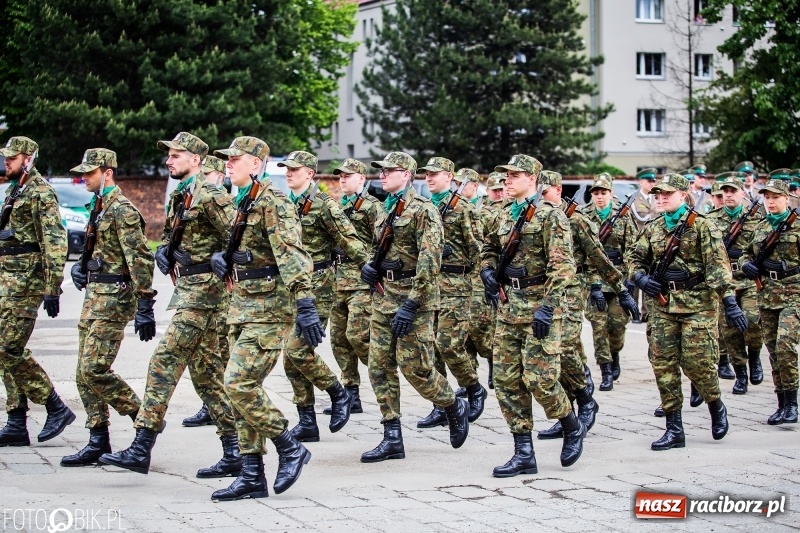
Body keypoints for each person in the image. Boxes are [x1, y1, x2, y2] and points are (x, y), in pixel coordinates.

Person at [99, 132, 240, 480]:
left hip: (206, 294)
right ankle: (235, 450)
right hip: (189, 290)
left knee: (164, 361)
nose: (169, 160)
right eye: (169, 155)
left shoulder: (210, 195)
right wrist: (164, 249)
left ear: (196, 159)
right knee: (207, 378)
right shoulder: (182, 195)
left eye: (176, 155)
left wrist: (222, 256)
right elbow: (172, 234)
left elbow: (241, 234)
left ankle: (141, 447)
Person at [208, 136, 321, 500]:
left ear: (256, 164)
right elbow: (250, 251)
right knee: (243, 392)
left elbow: (293, 255)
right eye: (226, 158)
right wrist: (221, 258)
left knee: (237, 383)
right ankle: (252, 473)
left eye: (235, 159)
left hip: (269, 308)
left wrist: (306, 304)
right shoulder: (244, 201)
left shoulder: (273, 203)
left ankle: (289, 445)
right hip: (240, 306)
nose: (228, 163)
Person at [359, 151, 469, 463]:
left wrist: (413, 303)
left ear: (406, 174)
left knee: (416, 369)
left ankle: (452, 404)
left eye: (390, 170)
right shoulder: (384, 209)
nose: (382, 175)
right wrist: (370, 267)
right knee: (379, 367)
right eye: (381, 170)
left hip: (413, 300)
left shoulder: (424, 211)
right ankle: (392, 436)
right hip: (384, 297)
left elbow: (430, 260)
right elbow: (375, 245)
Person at [480, 154, 585, 477]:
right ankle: (523, 451)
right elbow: (487, 249)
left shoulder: (551, 216)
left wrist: (549, 306)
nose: (508, 180)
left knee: (540, 379)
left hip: (542, 308)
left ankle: (571, 423)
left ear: (533, 180)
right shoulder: (501, 216)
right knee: (507, 381)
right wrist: (486, 271)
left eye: (515, 175)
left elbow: (563, 266)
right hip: (509, 307)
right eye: (506, 175)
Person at [629, 173, 747, 450]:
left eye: (667, 194)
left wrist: (729, 302)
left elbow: (718, 266)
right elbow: (634, 258)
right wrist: (640, 278)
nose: (660, 198)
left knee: (699, 364)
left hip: (698, 304)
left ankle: (716, 405)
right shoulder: (653, 226)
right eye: (657, 194)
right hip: (662, 304)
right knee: (663, 365)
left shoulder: (702, 226)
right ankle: (674, 428)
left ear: (683, 195)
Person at [60, 148, 156, 466]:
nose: (85, 177)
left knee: (94, 369)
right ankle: (98, 439)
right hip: (95, 297)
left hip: (114, 299)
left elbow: (140, 258)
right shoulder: (99, 207)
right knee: (81, 374)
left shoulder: (122, 210)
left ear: (108, 172)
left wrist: (145, 302)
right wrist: (84, 265)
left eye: (90, 172)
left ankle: (144, 417)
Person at [535, 170, 639, 441]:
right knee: (552, 356)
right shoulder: (533, 218)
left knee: (566, 347)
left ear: (558, 191)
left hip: (572, 289)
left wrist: (621, 289)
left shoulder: (575, 219)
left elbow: (599, 257)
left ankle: (585, 397)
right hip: (545, 293)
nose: (541, 198)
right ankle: (565, 413)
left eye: (545, 192)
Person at [279, 151, 368, 443]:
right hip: (291, 286)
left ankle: (337, 392)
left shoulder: (324, 205)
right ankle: (306, 420)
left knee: (297, 350)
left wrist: (369, 269)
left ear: (309, 173)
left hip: (319, 285)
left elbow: (349, 239)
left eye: (295, 169)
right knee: (289, 359)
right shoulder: (282, 203)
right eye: (286, 168)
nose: (289, 173)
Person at [0, 136, 72, 447]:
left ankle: (56, 406)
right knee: (5, 353)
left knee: (7, 348)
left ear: (28, 157)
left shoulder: (41, 191)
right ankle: (16, 421)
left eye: (12, 157)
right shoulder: (16, 189)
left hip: (25, 283)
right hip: (7, 281)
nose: (6, 162)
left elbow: (55, 242)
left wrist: (52, 288)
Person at [416, 160, 486, 429]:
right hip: (430, 285)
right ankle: (441, 403)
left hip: (457, 285)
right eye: (427, 174)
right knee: (430, 347)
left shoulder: (463, 209)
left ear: (449, 177)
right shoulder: (426, 207)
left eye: (435, 174)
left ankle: (473, 387)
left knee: (449, 344)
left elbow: (479, 250)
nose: (429, 178)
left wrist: (481, 286)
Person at [323, 158, 382, 418]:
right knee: (338, 340)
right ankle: (351, 392)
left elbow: (382, 243)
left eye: (348, 175)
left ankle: (383, 372)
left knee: (357, 335)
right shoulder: (338, 207)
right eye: (340, 176)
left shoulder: (372, 207)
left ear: (361, 178)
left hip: (361, 281)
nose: (342, 180)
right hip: (339, 281)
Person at [740, 178, 800, 425]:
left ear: (787, 198)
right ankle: (782, 403)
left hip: (794, 293)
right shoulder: (760, 227)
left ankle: (793, 404)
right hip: (767, 294)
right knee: (774, 350)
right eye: (767, 197)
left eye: (776, 197)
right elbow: (745, 252)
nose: (771, 201)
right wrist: (747, 265)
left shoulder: (797, 226)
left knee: (786, 346)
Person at [183, 154, 231, 429]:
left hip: (219, 290)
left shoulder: (222, 202)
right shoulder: (192, 199)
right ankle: (211, 404)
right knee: (205, 354)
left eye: (211, 174)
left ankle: (223, 406)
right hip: (197, 288)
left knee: (219, 350)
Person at [707, 173, 763, 395]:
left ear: (742, 194)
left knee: (751, 321)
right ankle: (740, 374)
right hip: (724, 282)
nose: (728, 195)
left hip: (748, 281)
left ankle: (755, 357)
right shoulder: (711, 219)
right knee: (729, 331)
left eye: (733, 192)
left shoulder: (756, 220)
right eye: (725, 192)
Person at [581, 173, 639, 390]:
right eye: (595, 193)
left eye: (603, 192)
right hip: (593, 280)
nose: (599, 197)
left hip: (618, 279)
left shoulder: (622, 216)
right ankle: (605, 369)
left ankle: (614, 353)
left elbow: (632, 250)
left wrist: (631, 280)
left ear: (611, 194)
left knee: (617, 326)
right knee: (599, 326)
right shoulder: (584, 216)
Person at [464, 171, 506, 389]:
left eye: (501, 189)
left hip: (493, 277)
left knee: (484, 325)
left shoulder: (507, 212)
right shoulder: (477, 210)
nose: (498, 194)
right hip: (470, 276)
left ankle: (493, 362)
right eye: (494, 190)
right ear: (487, 191)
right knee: (467, 329)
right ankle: (468, 377)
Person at [630, 168, 659, 323]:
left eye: (654, 181)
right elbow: (640, 220)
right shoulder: (634, 200)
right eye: (649, 181)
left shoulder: (657, 199)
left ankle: (646, 312)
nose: (652, 183)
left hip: (653, 241)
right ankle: (634, 311)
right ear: (641, 182)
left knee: (649, 276)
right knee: (636, 278)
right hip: (638, 242)